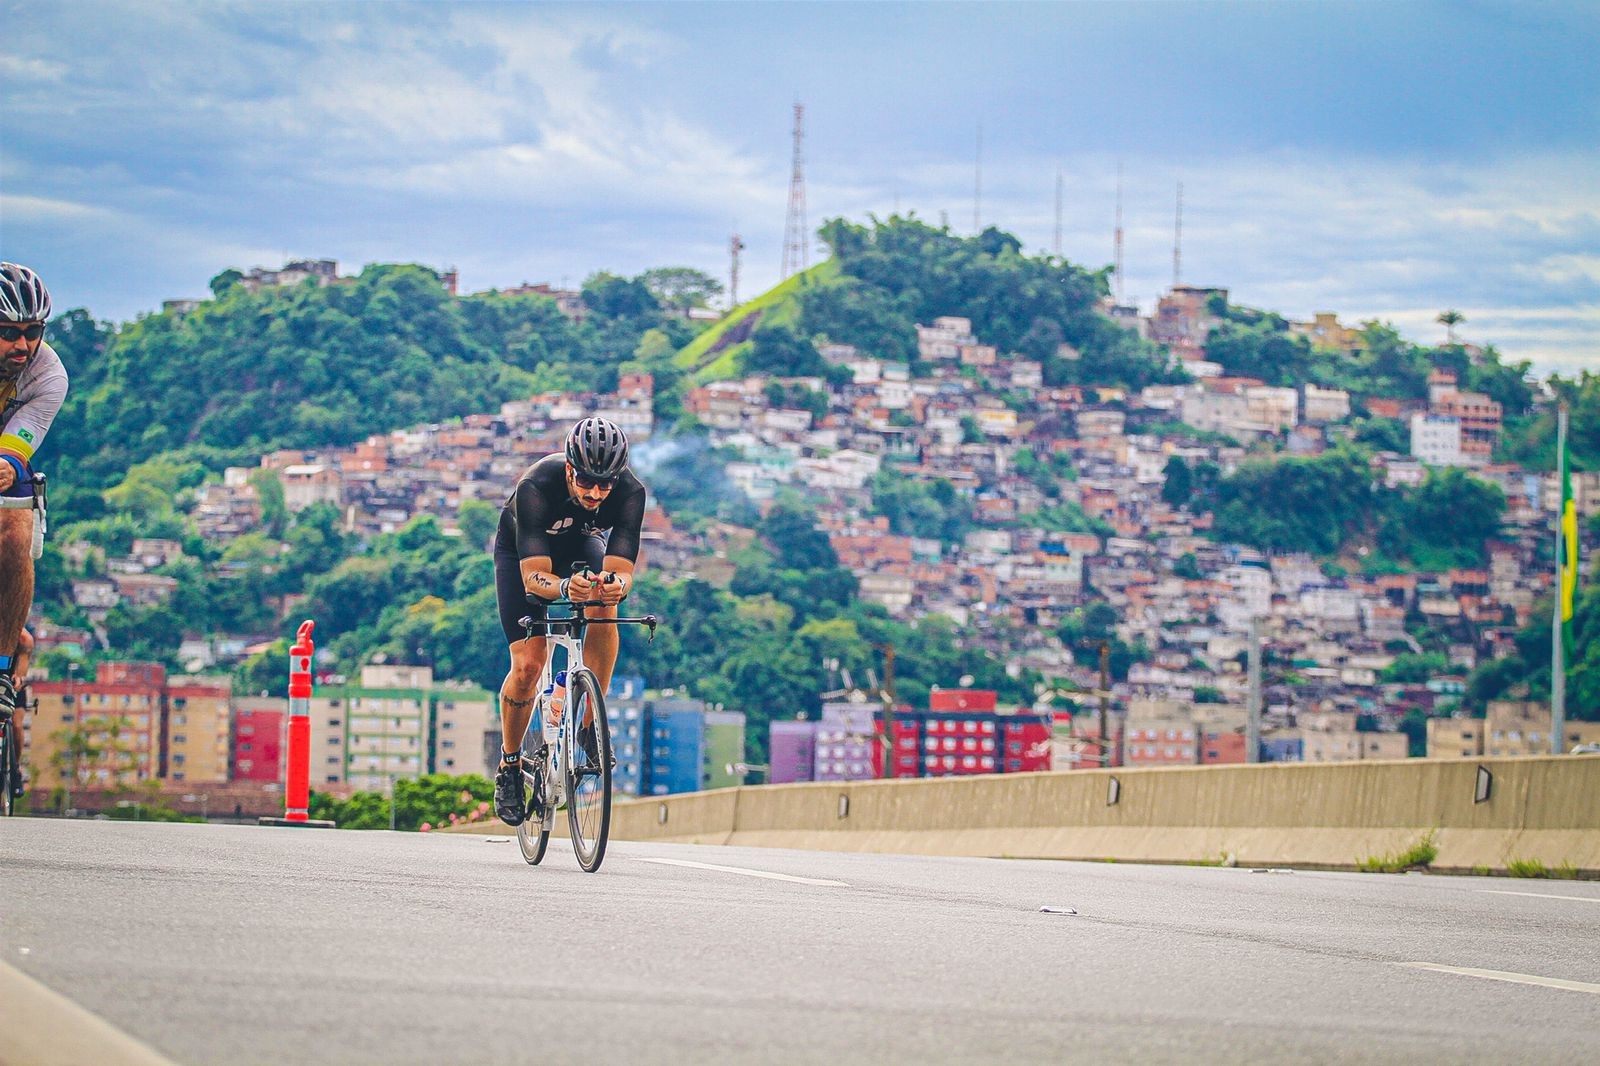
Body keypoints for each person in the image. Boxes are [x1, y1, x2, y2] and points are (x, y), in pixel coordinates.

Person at [492, 416, 646, 825]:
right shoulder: (536, 486)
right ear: (568, 470)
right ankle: (509, 767)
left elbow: (621, 567)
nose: (596, 492)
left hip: (581, 543)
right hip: (524, 555)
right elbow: (533, 578)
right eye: (586, 482)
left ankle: (589, 727)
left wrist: (616, 585)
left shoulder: (630, 492)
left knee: (605, 604)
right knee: (529, 664)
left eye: (606, 483)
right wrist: (564, 590)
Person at [0, 263, 65, 726]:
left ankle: (2, 669)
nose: (22, 345)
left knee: (13, 529)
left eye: (33, 331)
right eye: (8, 332)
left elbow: (15, 448)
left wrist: (8, 464)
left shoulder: (47, 374)